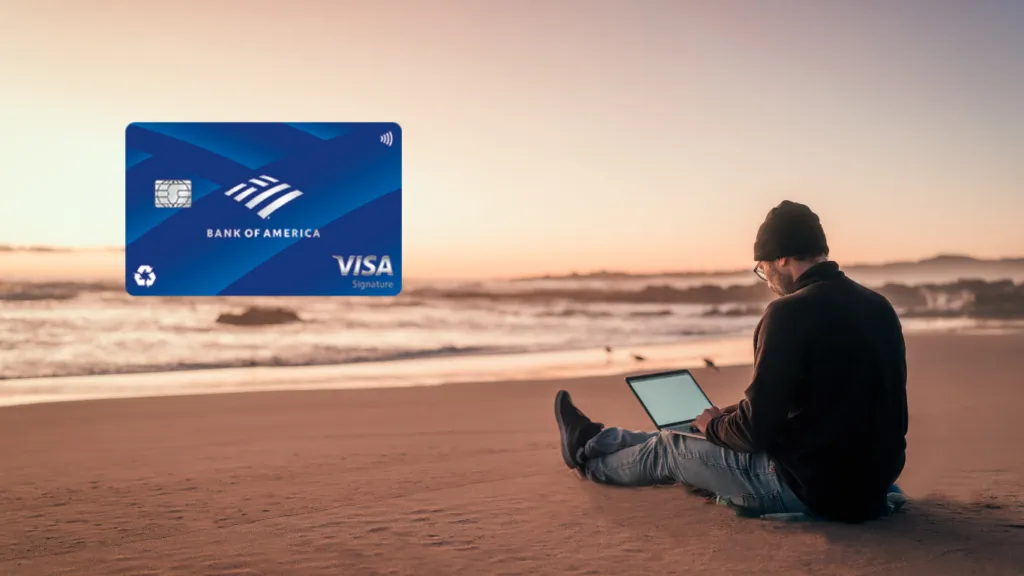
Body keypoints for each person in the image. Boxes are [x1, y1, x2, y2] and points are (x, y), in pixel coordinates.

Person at [554, 200, 908, 523]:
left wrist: (714, 427)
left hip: (809, 489)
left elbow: (755, 433)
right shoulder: (877, 306)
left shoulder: (789, 313)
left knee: (670, 447)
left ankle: (591, 464)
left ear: (781, 257)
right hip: (869, 488)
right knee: (697, 429)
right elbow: (834, 401)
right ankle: (597, 439)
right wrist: (724, 419)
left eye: (763, 266)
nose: (766, 277)